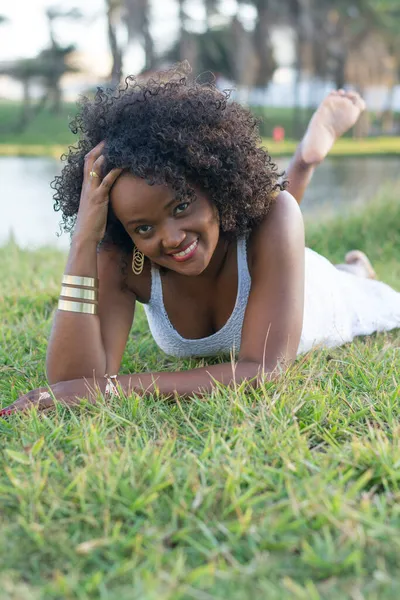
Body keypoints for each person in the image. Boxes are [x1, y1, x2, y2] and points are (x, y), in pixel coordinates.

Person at [2, 66, 400, 415]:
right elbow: (71, 382)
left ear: (212, 182)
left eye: (181, 207)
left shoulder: (274, 216)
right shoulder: (122, 256)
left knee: (297, 234)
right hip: (266, 251)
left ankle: (314, 183)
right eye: (143, 228)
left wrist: (114, 388)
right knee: (268, 225)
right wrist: (82, 244)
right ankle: (331, 222)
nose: (171, 239)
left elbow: (264, 371)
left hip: (320, 292)